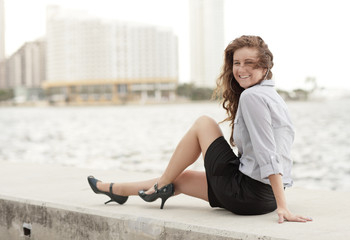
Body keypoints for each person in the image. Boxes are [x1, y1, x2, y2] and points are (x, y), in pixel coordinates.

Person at [88, 35, 312, 223]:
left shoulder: (252, 96)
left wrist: (284, 208)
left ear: (264, 66)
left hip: (249, 193)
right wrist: (279, 201)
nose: (241, 69)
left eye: (249, 63)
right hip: (265, 199)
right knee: (182, 178)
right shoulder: (273, 95)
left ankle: (163, 182)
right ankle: (116, 190)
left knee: (204, 123)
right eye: (236, 63)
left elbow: (268, 152)